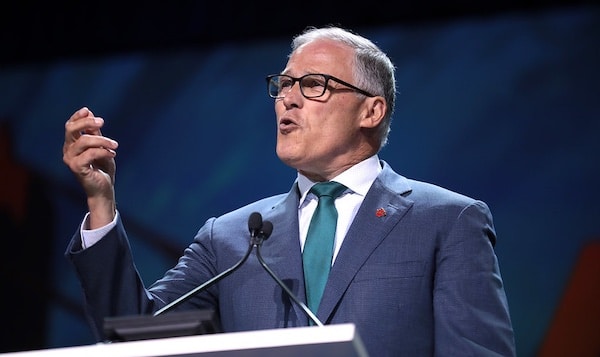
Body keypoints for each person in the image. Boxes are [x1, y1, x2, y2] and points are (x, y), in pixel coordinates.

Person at [62, 26, 516, 356]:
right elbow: (133, 335)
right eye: (284, 84)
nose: (288, 98)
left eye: (314, 84)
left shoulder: (446, 221)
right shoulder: (232, 238)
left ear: (372, 111)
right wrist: (101, 203)